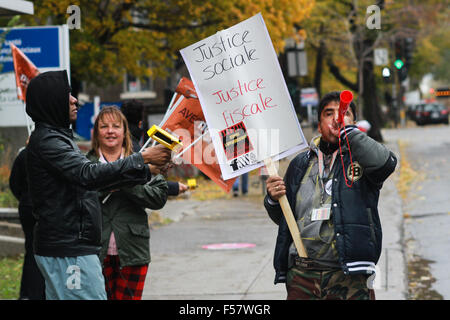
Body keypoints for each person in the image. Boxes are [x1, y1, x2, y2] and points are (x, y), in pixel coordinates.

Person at [25, 70, 171, 300]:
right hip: (69, 250)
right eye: (67, 95)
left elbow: (91, 179)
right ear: (51, 101)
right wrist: (142, 159)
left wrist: (145, 171)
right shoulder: (50, 141)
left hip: (72, 248)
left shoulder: (57, 138)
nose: (75, 100)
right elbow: (89, 175)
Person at [264, 91, 397, 300]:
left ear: (354, 122)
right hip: (302, 275)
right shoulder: (300, 164)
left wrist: (349, 133)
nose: (337, 117)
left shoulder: (363, 159)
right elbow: (284, 220)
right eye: (329, 113)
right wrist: (273, 199)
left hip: (349, 276)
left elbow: (386, 164)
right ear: (319, 125)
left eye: (344, 113)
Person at [86, 106, 168, 300]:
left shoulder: (142, 161)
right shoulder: (85, 163)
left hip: (133, 250)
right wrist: (115, 178)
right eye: (104, 126)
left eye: (116, 126)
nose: (110, 131)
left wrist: (125, 183)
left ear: (124, 131)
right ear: (97, 132)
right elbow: (79, 195)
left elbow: (159, 197)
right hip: (95, 251)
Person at [120, 99, 188, 195]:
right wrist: (172, 187)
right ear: (140, 123)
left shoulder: (123, 144)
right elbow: (135, 185)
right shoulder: (130, 146)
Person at [9, 144, 45, 300]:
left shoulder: (24, 154)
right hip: (42, 208)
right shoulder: (53, 152)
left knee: (31, 250)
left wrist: (24, 198)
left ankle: (27, 294)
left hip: (27, 206)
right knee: (38, 252)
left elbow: (14, 183)